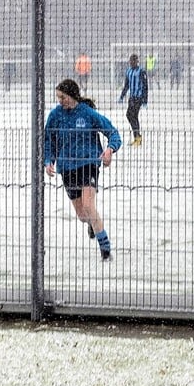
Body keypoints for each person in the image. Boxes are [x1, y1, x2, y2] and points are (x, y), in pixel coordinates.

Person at [43, 78, 122, 261]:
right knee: (81, 214)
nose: (60, 101)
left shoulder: (87, 113)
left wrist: (110, 149)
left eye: (63, 97)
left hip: (88, 164)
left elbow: (113, 132)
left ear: (72, 95)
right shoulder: (55, 115)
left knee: (88, 205)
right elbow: (48, 140)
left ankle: (105, 249)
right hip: (67, 168)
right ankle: (91, 224)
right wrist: (48, 160)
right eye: (58, 97)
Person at [117, 53, 149, 145]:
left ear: (137, 62)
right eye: (130, 61)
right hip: (131, 98)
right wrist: (122, 96)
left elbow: (145, 86)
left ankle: (137, 138)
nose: (131, 63)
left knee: (132, 116)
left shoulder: (141, 71)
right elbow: (126, 85)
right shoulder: (129, 71)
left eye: (133, 61)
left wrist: (145, 100)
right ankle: (137, 137)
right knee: (130, 116)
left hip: (138, 98)